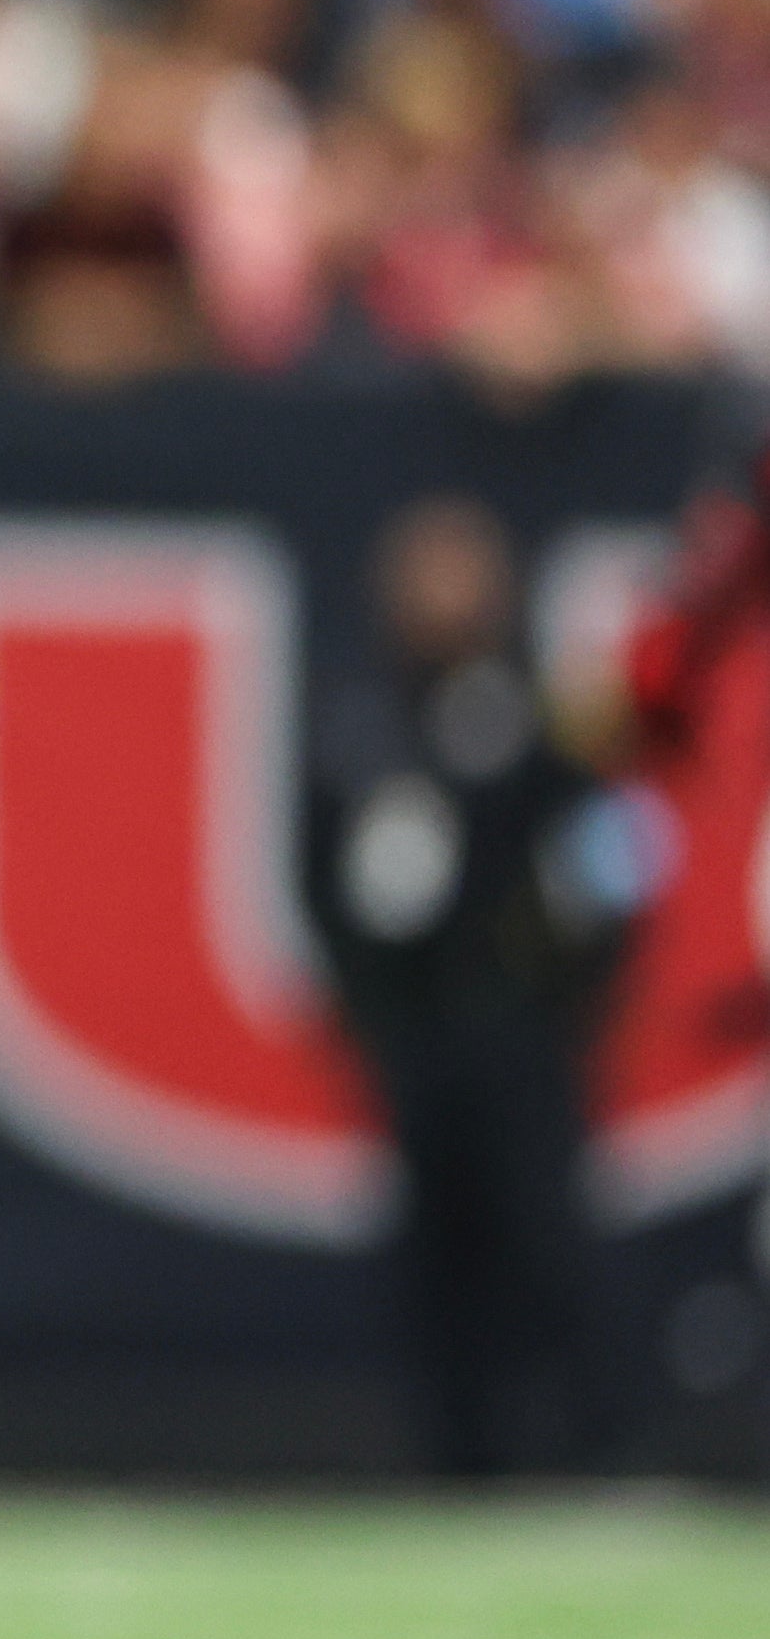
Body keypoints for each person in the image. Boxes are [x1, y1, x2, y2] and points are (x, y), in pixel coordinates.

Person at [299, 494, 626, 1477]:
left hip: (519, 1022)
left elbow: (618, 852)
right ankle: (454, 1457)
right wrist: (366, 998)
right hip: (415, 1025)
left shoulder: (550, 713)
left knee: (546, 1237)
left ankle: (589, 1445)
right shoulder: (360, 714)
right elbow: (316, 869)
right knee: (433, 1253)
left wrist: (565, 974)